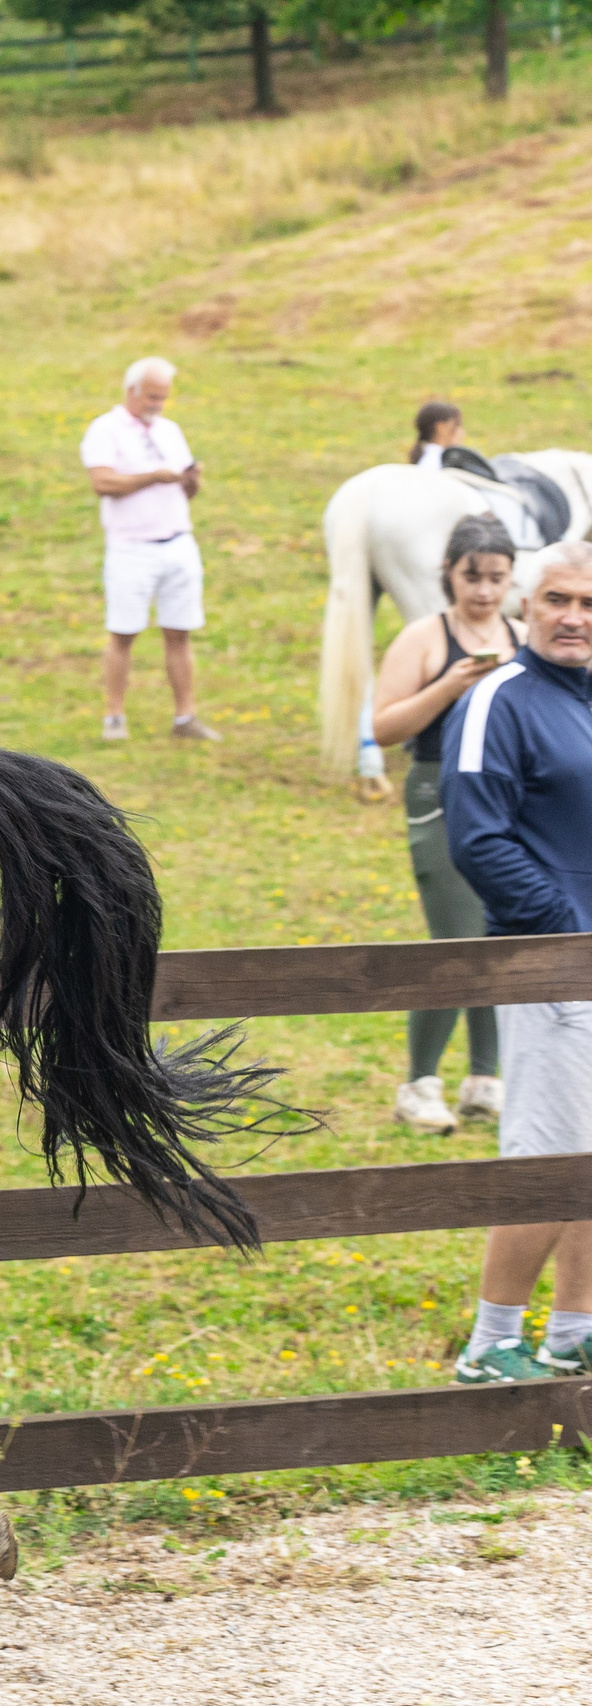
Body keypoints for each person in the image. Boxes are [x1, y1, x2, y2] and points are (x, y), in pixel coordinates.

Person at [442, 541, 592, 1382]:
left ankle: (574, 1331)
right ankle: (492, 1343)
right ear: (524, 607)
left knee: (590, 1152)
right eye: (558, 599)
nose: (574, 617)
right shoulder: (501, 698)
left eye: (589, 603)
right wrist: (563, 933)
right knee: (547, 1156)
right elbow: (478, 838)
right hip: (550, 968)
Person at [371, 514, 518, 1134]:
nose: (483, 591)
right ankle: (418, 1083)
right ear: (448, 575)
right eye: (471, 577)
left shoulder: (524, 633)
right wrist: (450, 686)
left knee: (503, 938)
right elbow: (383, 728)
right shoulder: (424, 637)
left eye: (496, 578)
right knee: (458, 941)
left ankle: (486, 1078)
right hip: (438, 792)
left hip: (511, 801)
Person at [81, 357, 216, 743]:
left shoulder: (170, 431)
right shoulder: (105, 430)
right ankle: (114, 716)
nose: (157, 404)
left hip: (177, 540)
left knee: (180, 631)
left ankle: (185, 717)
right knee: (123, 633)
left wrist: (191, 481)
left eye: (163, 397)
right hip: (131, 547)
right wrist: (154, 477)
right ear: (132, 391)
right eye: (152, 397)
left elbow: (185, 488)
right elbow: (103, 482)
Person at [411, 401, 465, 471]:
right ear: (440, 427)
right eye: (457, 425)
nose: (462, 432)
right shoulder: (434, 462)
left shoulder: (434, 458)